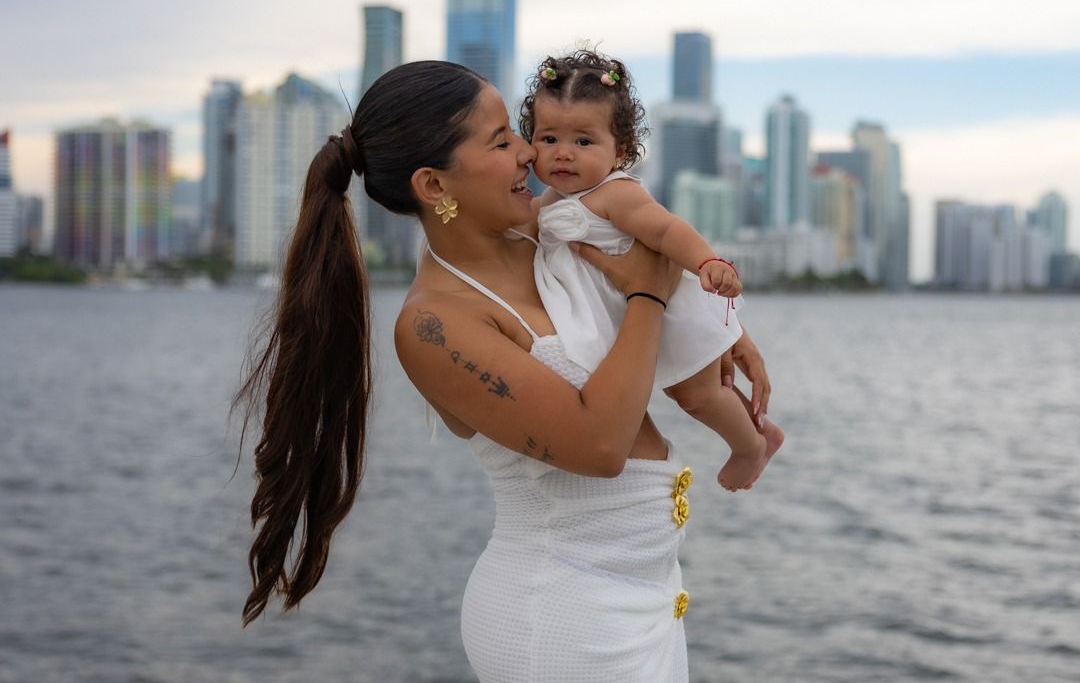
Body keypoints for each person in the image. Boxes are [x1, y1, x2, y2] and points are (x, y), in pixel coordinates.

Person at [234, 60, 774, 682]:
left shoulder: (553, 236)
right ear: (435, 187)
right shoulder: (435, 324)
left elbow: (653, 251)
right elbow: (599, 445)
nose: (528, 152)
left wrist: (725, 330)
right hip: (562, 621)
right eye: (500, 141)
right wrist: (647, 297)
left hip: (645, 602)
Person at [519, 49, 784, 491]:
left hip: (672, 308)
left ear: (619, 150)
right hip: (635, 314)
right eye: (549, 140)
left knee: (698, 395)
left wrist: (708, 262)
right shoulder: (547, 203)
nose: (563, 154)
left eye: (583, 142)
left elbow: (665, 231)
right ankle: (760, 430)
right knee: (685, 392)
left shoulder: (614, 193)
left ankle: (750, 446)